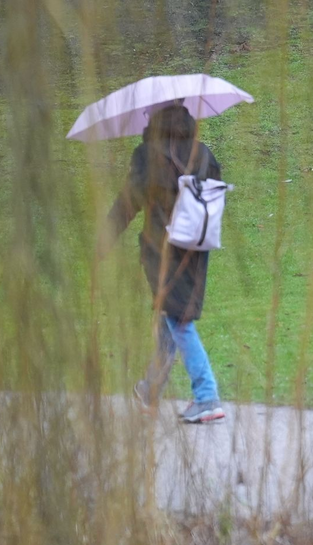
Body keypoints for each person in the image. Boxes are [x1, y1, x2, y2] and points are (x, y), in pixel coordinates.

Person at [105, 104, 226, 423]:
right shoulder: (203, 153)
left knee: (179, 320)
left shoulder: (148, 155)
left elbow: (129, 200)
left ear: (155, 120)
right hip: (197, 248)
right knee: (171, 314)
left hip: (163, 249)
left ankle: (207, 394)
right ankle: (150, 389)